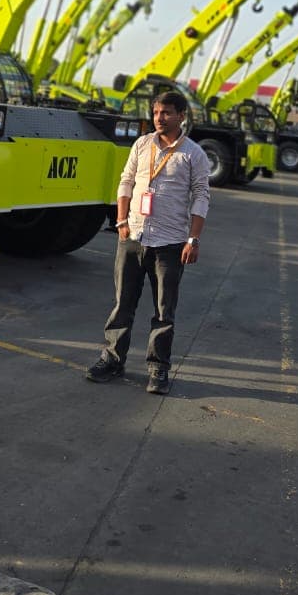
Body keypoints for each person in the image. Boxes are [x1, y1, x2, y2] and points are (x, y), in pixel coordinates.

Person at [86, 89, 210, 395]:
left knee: (163, 311)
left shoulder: (193, 154)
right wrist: (121, 221)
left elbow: (201, 196)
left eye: (166, 113)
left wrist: (193, 239)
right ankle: (112, 359)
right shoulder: (142, 144)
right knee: (122, 305)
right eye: (156, 113)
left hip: (169, 244)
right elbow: (126, 181)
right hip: (133, 238)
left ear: (181, 116)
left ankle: (158, 368)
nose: (159, 118)